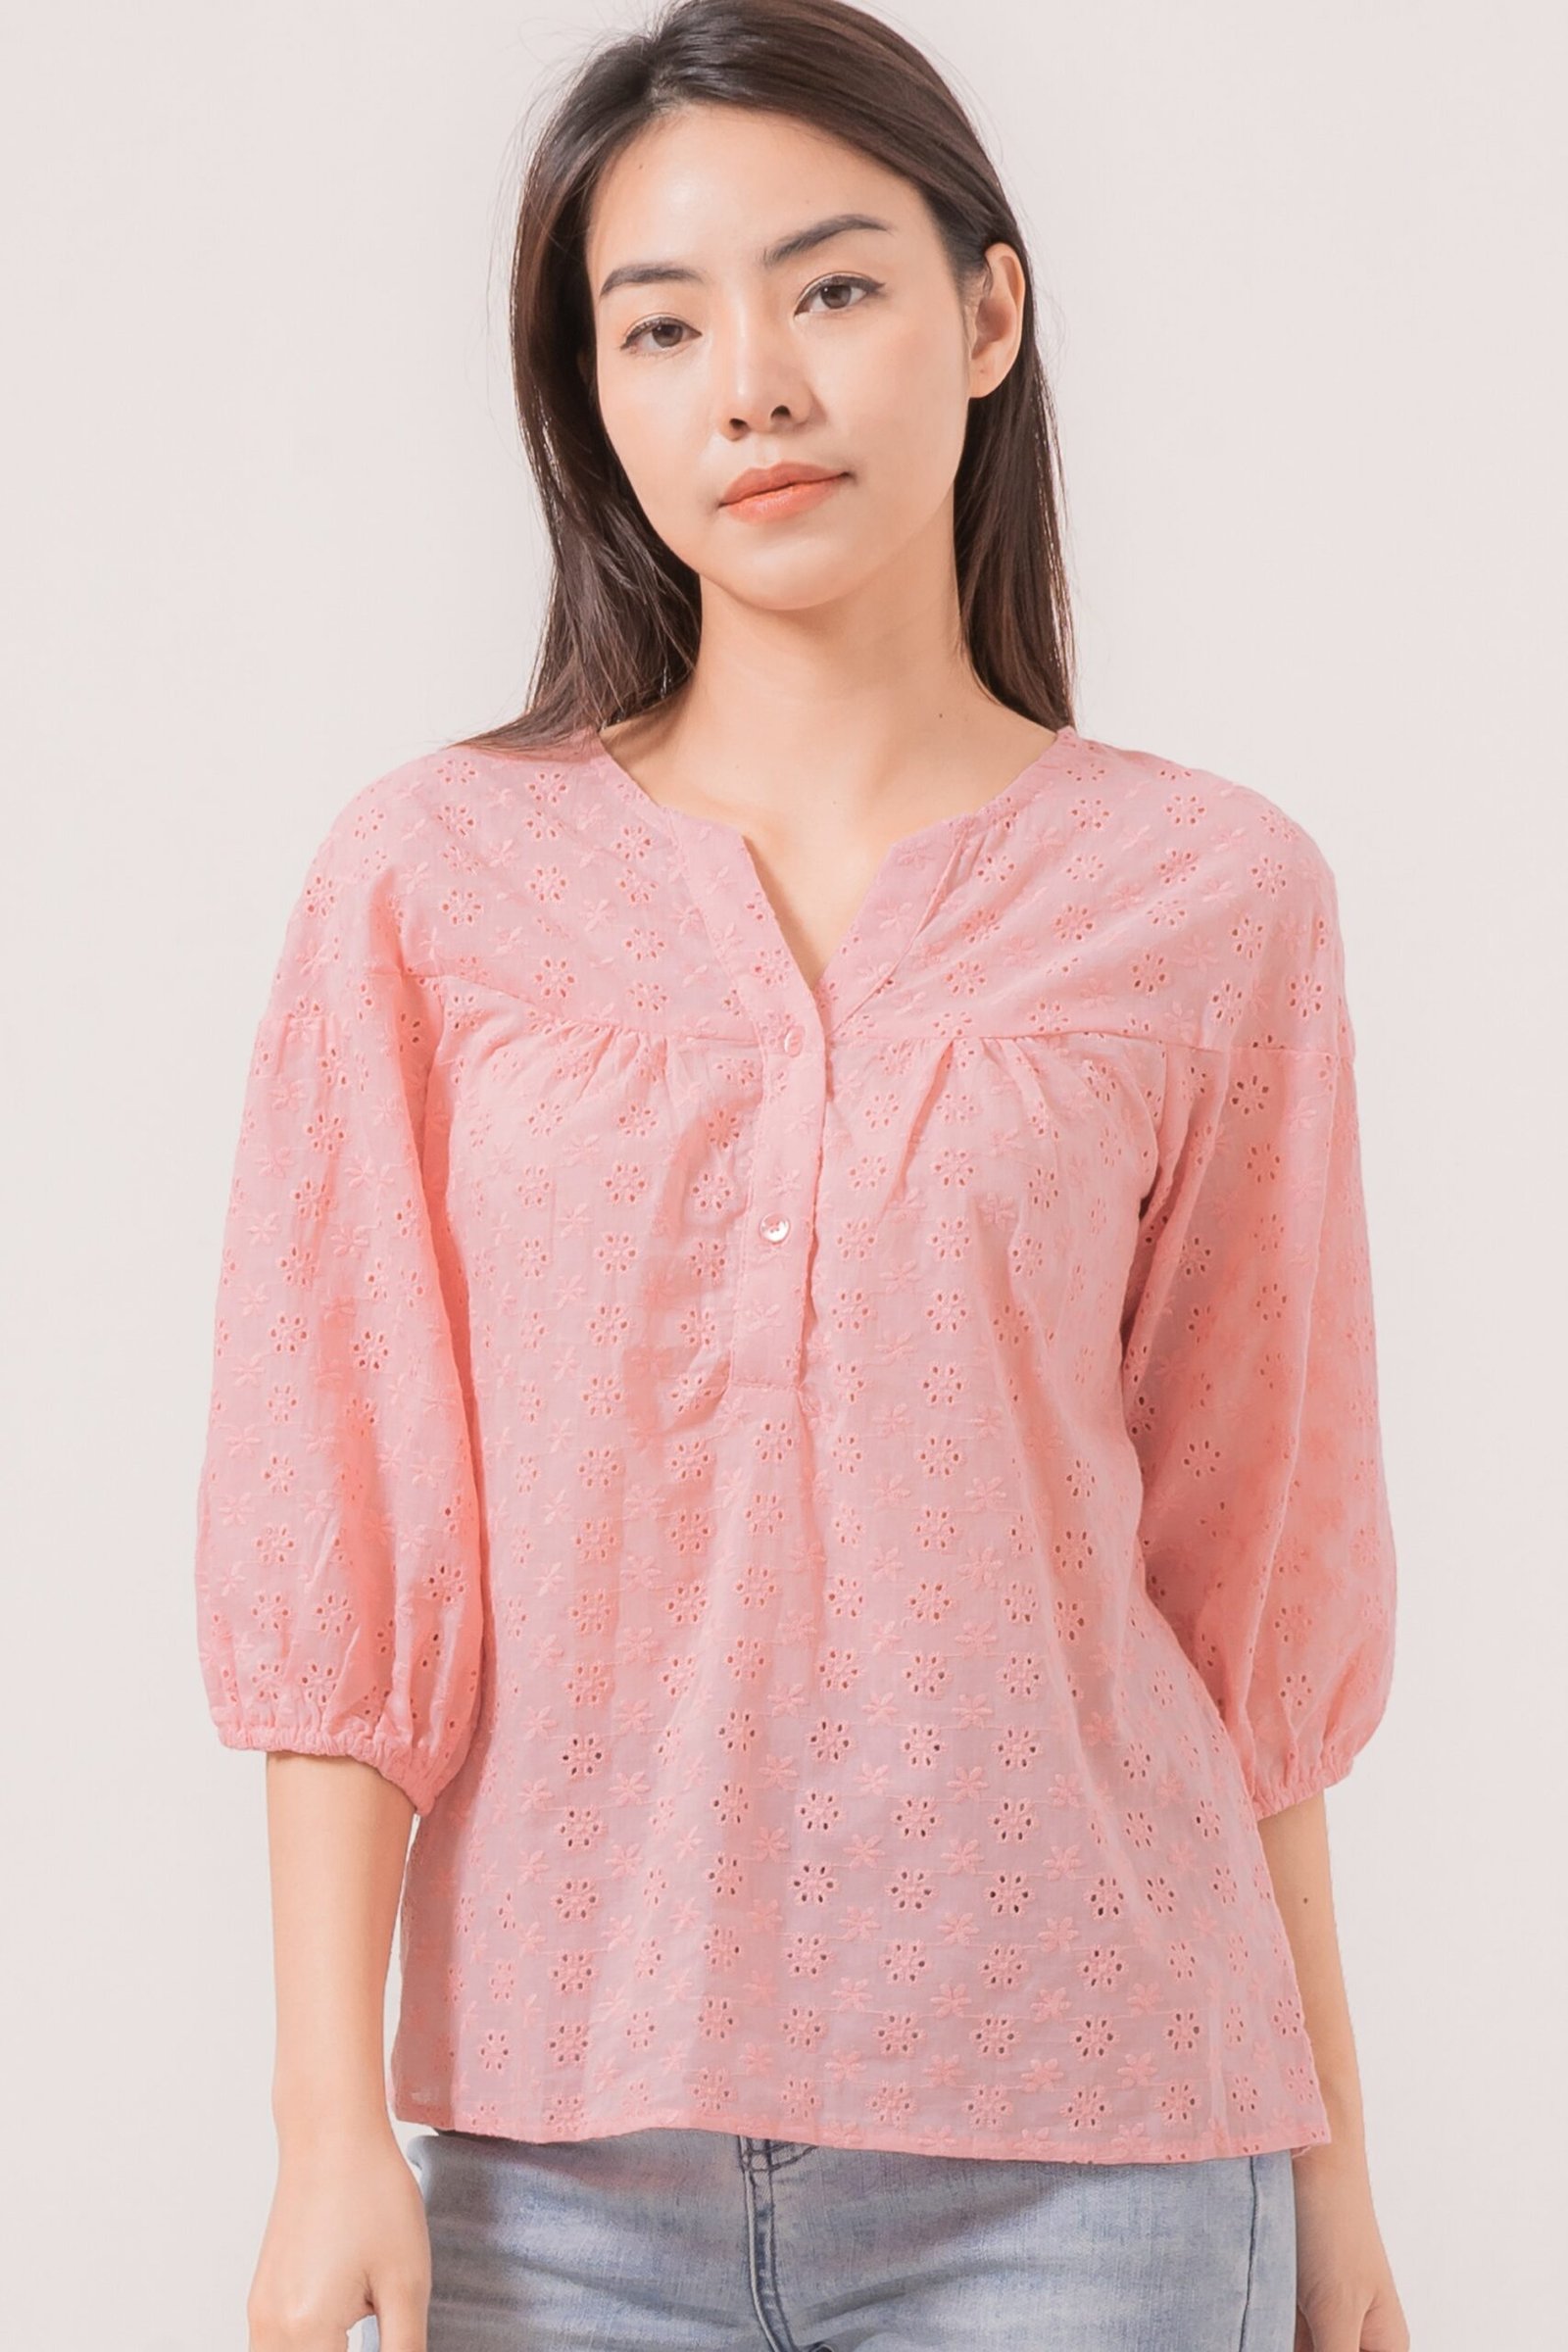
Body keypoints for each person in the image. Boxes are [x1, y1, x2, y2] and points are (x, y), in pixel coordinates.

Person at [192, 3, 1411, 2347]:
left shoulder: (1209, 897)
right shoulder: (431, 884)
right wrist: (323, 2122)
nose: (748, 384)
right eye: (657, 325)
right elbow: (341, 1534)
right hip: (556, 2171)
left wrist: (1334, 2174)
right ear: (590, 396)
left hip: (1102, 2162)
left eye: (830, 286)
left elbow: (1245, 1592)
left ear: (986, 311)